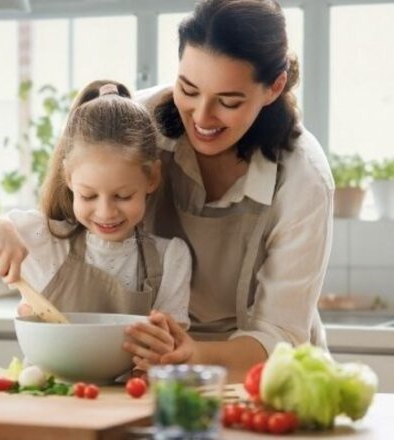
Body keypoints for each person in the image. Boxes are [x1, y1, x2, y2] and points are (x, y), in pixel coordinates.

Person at [122, 0, 334, 381]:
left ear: (274, 87)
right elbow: (70, 219)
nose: (202, 117)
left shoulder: (303, 177)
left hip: (265, 377)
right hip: (152, 369)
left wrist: (193, 354)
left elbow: (280, 336)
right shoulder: (135, 125)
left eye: (228, 101)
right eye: (188, 89)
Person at [0, 80, 192, 368]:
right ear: (69, 179)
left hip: (126, 402)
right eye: (88, 195)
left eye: (123, 196)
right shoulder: (44, 238)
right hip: (47, 398)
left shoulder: (170, 258)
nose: (106, 211)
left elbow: (173, 348)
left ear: (152, 179)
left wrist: (162, 355)